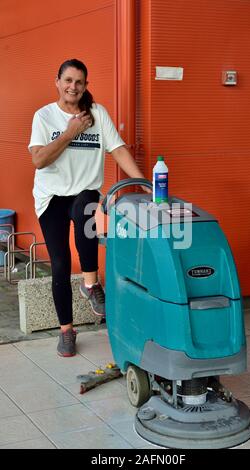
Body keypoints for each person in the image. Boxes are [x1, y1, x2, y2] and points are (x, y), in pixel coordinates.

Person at [28, 58, 150, 357]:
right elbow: (39, 160)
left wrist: (145, 183)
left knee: (86, 202)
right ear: (57, 82)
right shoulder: (44, 117)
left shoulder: (97, 114)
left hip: (83, 192)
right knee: (59, 262)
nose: (73, 86)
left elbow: (118, 149)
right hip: (52, 197)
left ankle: (91, 284)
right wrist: (70, 133)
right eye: (68, 80)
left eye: (79, 82)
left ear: (85, 86)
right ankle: (66, 330)